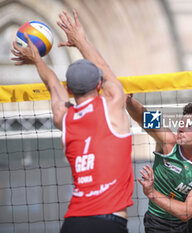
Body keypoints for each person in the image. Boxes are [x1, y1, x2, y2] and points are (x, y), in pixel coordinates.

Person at [11, 9, 133, 233]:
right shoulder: (112, 106)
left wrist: (37, 59)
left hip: (74, 222)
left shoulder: (64, 118)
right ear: (99, 85)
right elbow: (104, 69)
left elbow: (52, 86)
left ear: (70, 89)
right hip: (108, 223)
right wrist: (80, 41)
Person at [126, 96, 192, 233]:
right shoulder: (168, 142)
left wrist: (152, 193)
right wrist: (128, 101)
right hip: (159, 221)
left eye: (188, 126)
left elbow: (186, 212)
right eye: (181, 124)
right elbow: (143, 117)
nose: (181, 129)